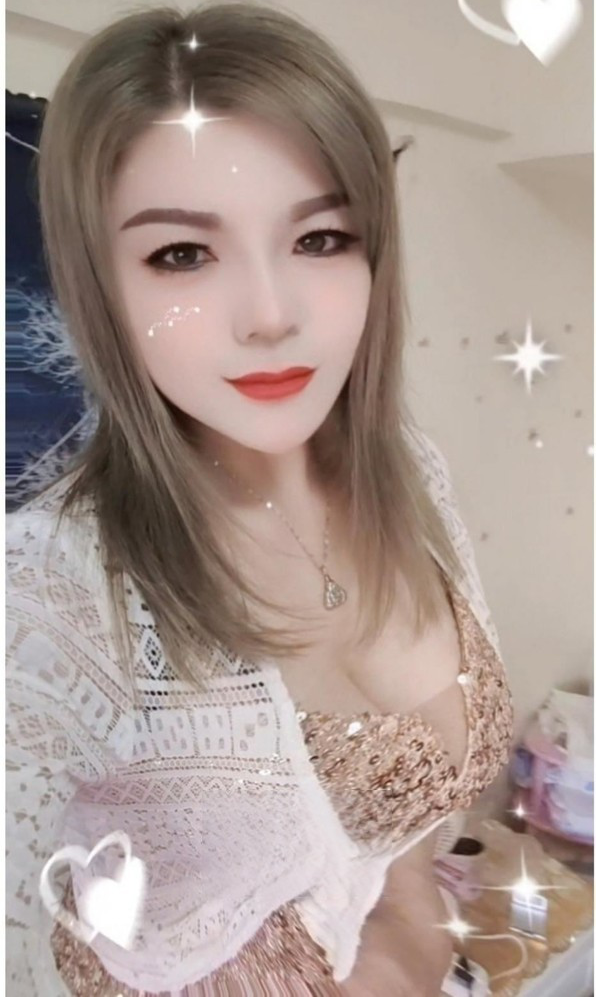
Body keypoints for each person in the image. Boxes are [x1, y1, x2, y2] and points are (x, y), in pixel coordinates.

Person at [5, 3, 515, 995]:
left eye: (320, 238)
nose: (272, 315)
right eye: (182, 254)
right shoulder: (48, 597)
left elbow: (396, 842)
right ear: (100, 286)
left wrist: (407, 951)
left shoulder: (411, 474)